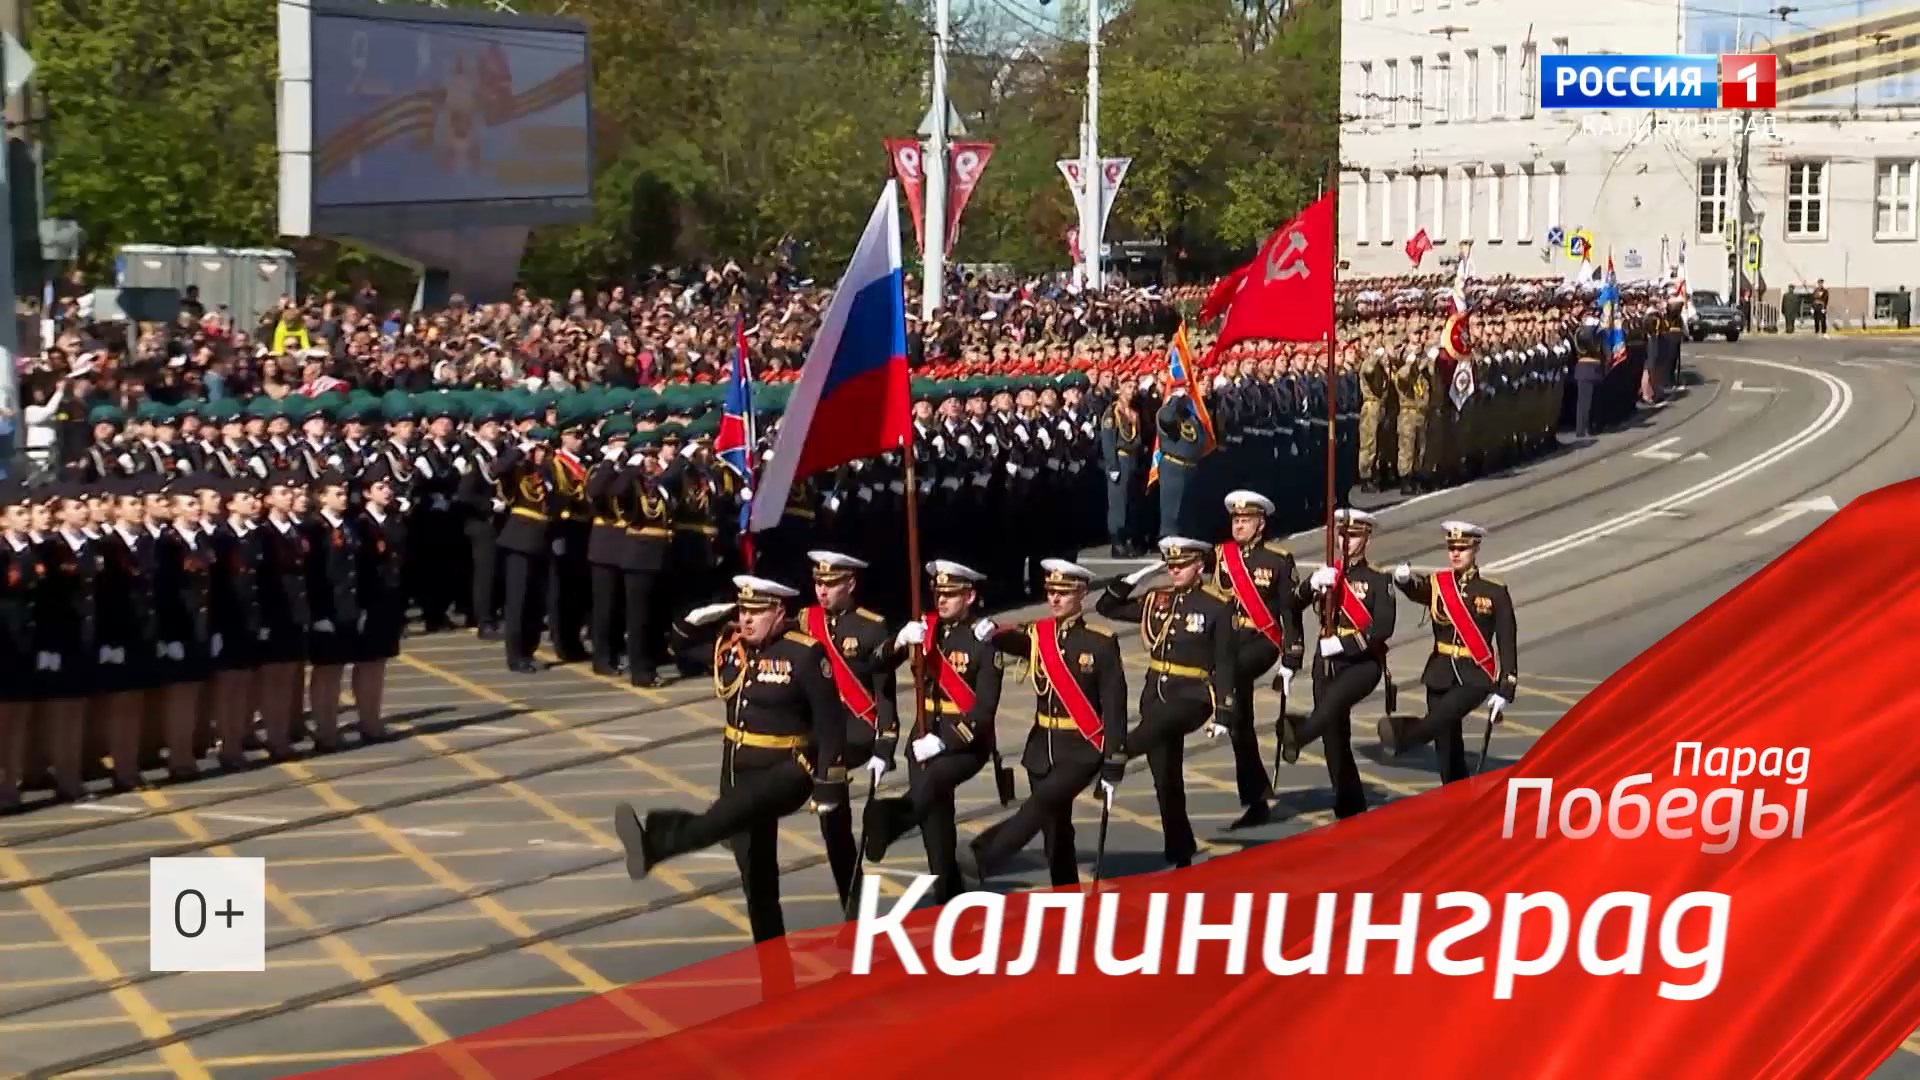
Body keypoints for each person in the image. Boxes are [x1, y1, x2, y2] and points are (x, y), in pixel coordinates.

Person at [613, 575, 847, 944]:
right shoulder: (732, 648)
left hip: (786, 769)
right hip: (736, 767)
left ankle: (656, 843)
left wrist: (829, 784)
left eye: (757, 611)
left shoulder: (804, 653)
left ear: (778, 611)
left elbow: (832, 722)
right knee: (757, 881)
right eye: (743, 610)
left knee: (725, 815)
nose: (747, 619)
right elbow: (678, 648)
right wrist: (694, 622)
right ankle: (777, 981)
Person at [965, 559, 1128, 888]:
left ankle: (984, 855)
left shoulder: (1100, 642)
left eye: (1063, 593)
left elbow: (1114, 705)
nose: (1055, 599)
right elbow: (1018, 644)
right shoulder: (1040, 635)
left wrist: (1114, 763)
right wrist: (992, 633)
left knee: (1039, 806)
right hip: (1042, 747)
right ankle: (1064, 892)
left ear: (1081, 594)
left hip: (1081, 748)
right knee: (1055, 828)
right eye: (1051, 592)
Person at [1094, 536, 1237, 869]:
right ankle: (1180, 848)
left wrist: (1225, 711)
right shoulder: (1157, 599)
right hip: (1156, 692)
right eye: (1170, 565)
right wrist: (1137, 578)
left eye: (1182, 565)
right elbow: (1106, 608)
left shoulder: (1216, 606)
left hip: (1193, 696)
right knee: (1166, 778)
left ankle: (1114, 756)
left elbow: (1225, 661)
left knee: (1154, 727)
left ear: (1199, 566)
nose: (1174, 570)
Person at [866, 560, 1004, 901]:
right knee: (935, 820)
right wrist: (898, 640)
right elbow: (874, 664)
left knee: (931, 785)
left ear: (970, 596)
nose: (942, 601)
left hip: (965, 739)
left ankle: (890, 819)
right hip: (924, 730)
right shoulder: (924, 629)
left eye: (951, 594)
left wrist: (943, 742)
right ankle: (948, 890)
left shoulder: (984, 639)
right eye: (938, 593)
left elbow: (984, 712)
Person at [792, 549, 899, 910]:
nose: (822, 591)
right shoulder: (806, 620)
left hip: (856, 730)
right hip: (819, 730)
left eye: (831, 584)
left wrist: (886, 744)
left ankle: (855, 909)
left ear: (850, 584)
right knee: (833, 826)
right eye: (819, 583)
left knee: (830, 803)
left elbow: (884, 692)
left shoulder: (871, 626)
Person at [1281, 508, 1396, 820]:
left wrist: (1343, 644)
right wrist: (1310, 586)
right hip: (1326, 661)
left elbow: (1383, 627)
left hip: (1361, 661)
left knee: (1331, 705)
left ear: (1367, 540)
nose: (1347, 540)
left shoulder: (1378, 579)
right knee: (1334, 736)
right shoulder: (1328, 574)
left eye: (1355, 535)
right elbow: (1290, 604)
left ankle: (1301, 734)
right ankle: (1349, 802)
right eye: (1343, 534)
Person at [1381, 521, 1518, 781]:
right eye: (1452, 548)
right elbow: (1417, 590)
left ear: (1475, 549)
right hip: (1440, 670)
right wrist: (1404, 581)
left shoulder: (1494, 591)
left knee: (1443, 715)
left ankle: (1405, 735)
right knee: (1447, 745)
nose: (1455, 553)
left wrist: (1506, 686)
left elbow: (1507, 639)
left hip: (1475, 674)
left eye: (1462, 548)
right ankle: (1456, 796)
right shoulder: (1439, 584)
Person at [1210, 490, 1305, 829]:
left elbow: (1289, 612)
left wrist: (1292, 659)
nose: (1238, 525)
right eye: (1235, 520)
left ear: (1260, 524)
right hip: (1226, 642)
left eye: (1245, 520)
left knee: (1231, 678)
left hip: (1261, 640)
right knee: (1241, 725)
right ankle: (1256, 798)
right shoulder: (1221, 555)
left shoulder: (1278, 560)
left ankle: (1222, 706)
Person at [351, 459, 409, 742]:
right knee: (367, 662)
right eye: (380, 487)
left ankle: (373, 716)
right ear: (366, 493)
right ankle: (366, 719)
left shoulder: (396, 520)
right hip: (369, 598)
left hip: (391, 597)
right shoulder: (361, 525)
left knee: (381, 662)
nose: (387, 491)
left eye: (389, 487)